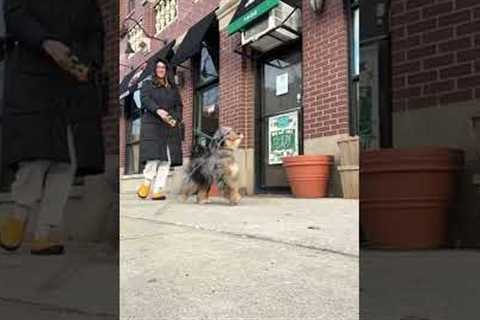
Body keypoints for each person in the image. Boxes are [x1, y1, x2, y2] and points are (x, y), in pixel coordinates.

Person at [0, 0, 105, 255]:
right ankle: (17, 216)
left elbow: (95, 30)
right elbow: (15, 15)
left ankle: (45, 232)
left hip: (71, 81)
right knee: (36, 156)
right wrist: (45, 42)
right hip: (32, 76)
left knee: (66, 163)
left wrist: (89, 63)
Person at [137, 58, 183, 200]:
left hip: (169, 126)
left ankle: (158, 190)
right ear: (154, 70)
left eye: (163, 67)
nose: (161, 69)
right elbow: (145, 100)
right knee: (154, 157)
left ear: (166, 70)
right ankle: (146, 183)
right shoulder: (147, 84)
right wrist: (158, 110)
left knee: (166, 160)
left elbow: (179, 105)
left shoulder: (173, 87)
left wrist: (175, 118)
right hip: (153, 124)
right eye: (158, 67)